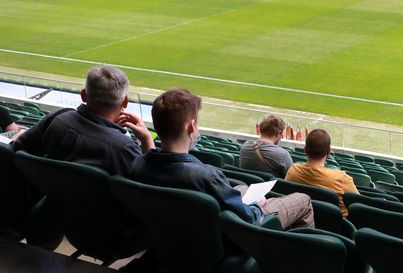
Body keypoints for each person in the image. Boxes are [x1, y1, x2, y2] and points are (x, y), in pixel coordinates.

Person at [129, 88, 313, 229]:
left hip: (176, 233)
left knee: (242, 188)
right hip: (227, 238)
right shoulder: (206, 176)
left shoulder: (138, 165)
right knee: (303, 199)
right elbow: (250, 218)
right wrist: (258, 206)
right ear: (191, 127)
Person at [14, 65, 154, 175]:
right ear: (125, 101)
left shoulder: (57, 118)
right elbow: (147, 186)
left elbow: (19, 147)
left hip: (54, 202)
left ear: (83, 95)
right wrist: (147, 141)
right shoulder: (123, 147)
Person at [285, 129, 357, 217]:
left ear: (305, 150)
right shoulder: (342, 179)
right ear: (329, 151)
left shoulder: (293, 170)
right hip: (333, 228)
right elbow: (359, 204)